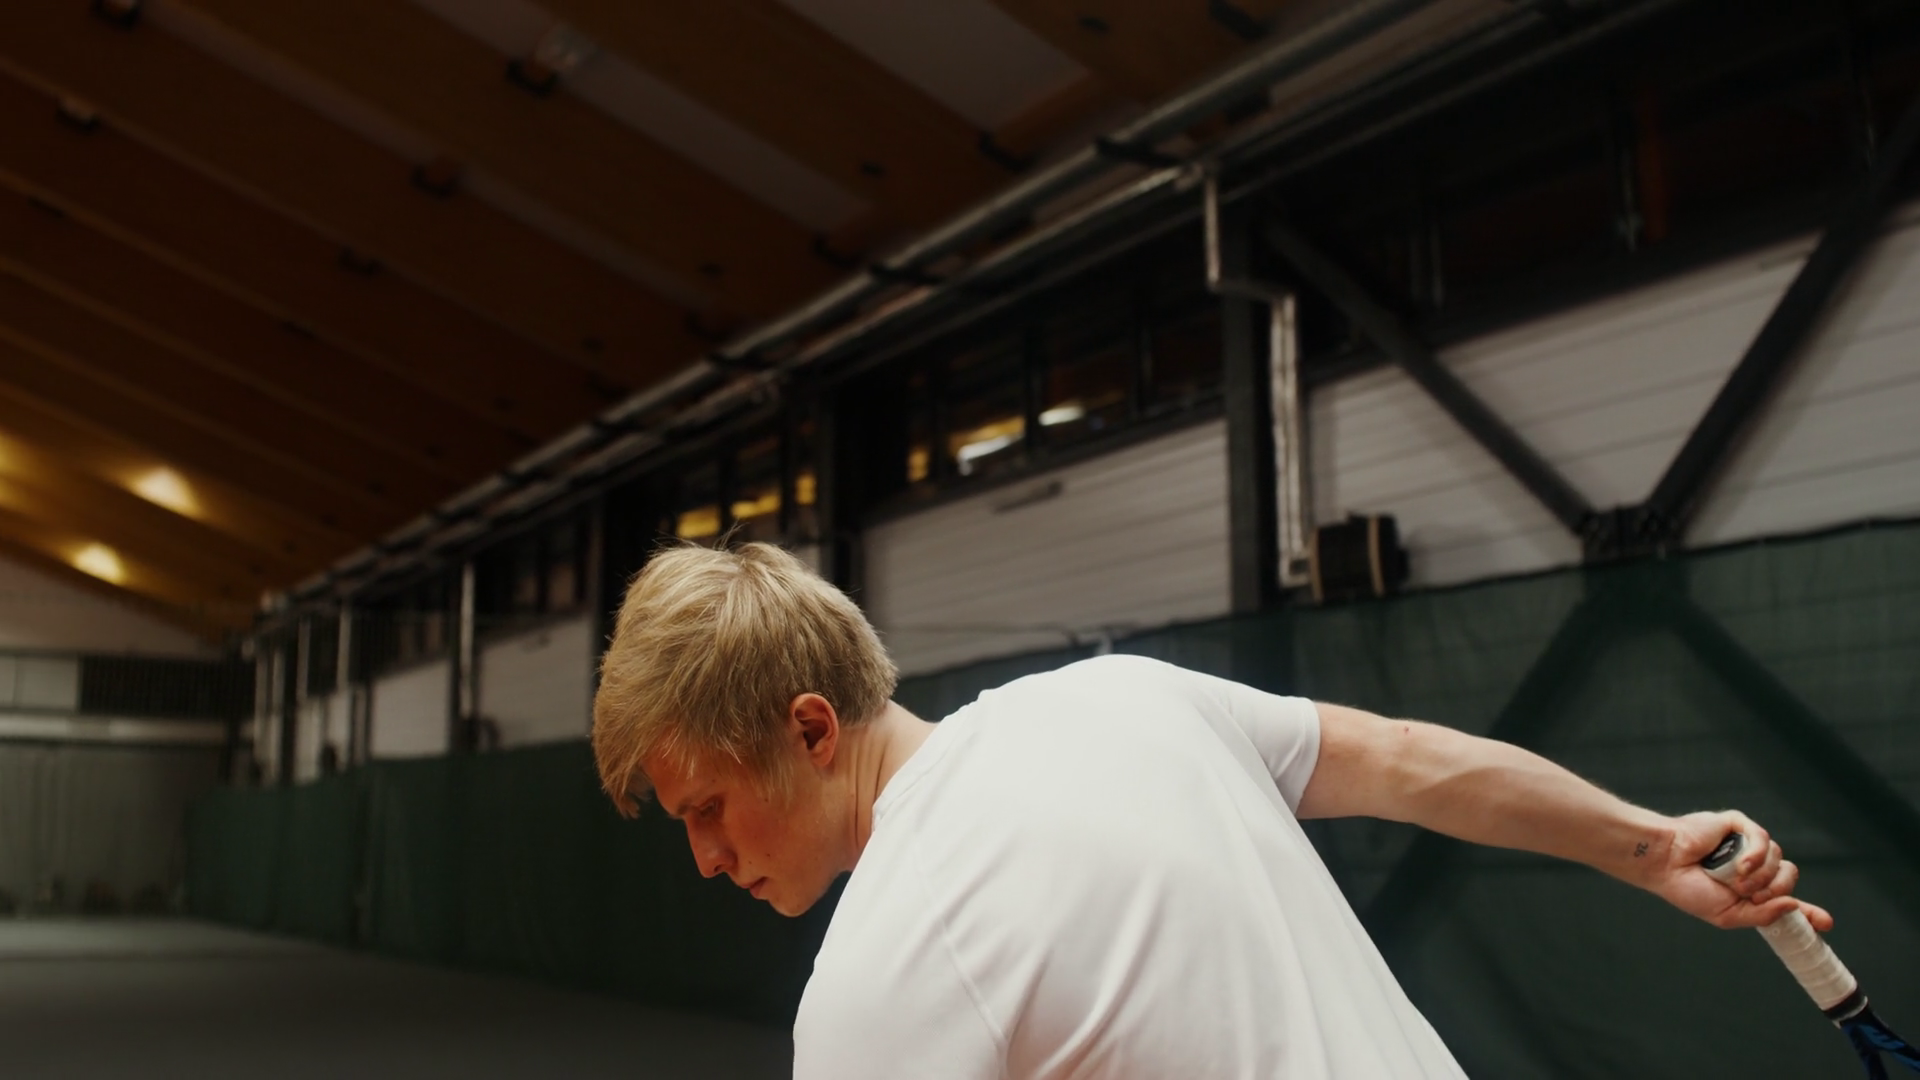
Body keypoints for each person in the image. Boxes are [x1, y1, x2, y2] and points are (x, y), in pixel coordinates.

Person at [592, 542, 1826, 1079]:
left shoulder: (877, 977)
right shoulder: (1126, 692)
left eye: (708, 807)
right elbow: (1407, 761)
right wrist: (1647, 846)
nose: (706, 857)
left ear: (811, 729)